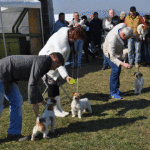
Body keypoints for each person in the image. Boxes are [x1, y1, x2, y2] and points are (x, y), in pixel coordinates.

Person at [0, 53, 64, 141]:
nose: (55, 68)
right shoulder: (44, 62)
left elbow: (34, 82)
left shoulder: (45, 63)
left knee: (17, 101)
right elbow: (32, 83)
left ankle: (13, 134)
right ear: (55, 60)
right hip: (1, 72)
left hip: (9, 78)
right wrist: (34, 103)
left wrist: (42, 102)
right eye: (57, 66)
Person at [39, 26, 86, 117]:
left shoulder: (67, 32)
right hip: (46, 61)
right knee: (52, 85)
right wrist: (66, 76)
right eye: (77, 39)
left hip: (53, 61)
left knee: (56, 85)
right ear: (73, 36)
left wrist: (73, 50)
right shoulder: (60, 43)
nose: (77, 41)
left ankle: (59, 108)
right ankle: (54, 109)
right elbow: (58, 63)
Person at [103, 23, 137, 99]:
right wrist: (123, 64)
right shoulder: (112, 39)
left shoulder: (123, 26)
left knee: (118, 70)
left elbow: (131, 34)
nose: (128, 40)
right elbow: (111, 56)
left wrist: (137, 38)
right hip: (109, 53)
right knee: (116, 69)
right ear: (124, 35)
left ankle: (116, 90)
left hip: (118, 51)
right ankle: (112, 93)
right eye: (127, 38)